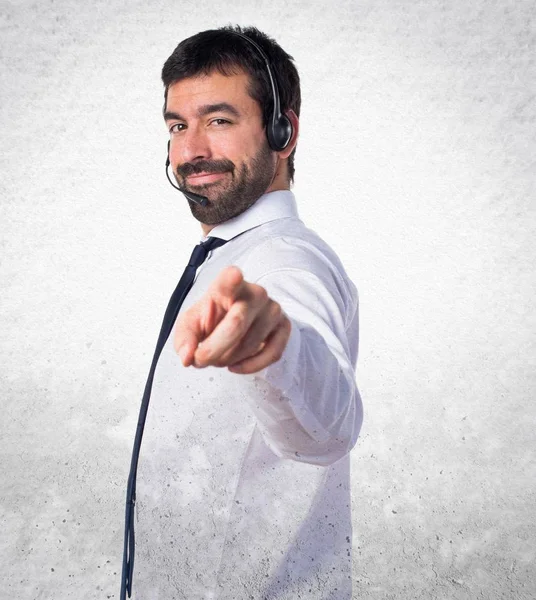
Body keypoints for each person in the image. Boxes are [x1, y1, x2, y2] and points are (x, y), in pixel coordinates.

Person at [129, 25, 363, 599]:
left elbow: (329, 429)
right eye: (178, 126)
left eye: (219, 121)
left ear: (283, 133)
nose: (191, 150)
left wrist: (277, 347)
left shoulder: (287, 262)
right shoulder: (228, 257)